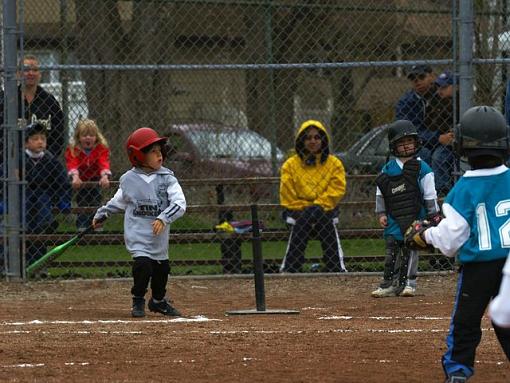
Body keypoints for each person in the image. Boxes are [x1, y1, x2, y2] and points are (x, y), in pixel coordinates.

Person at [405, 106, 510, 382]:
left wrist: (426, 235)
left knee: (465, 322)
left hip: (478, 269)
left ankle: (458, 371)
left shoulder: (461, 190)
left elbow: (451, 241)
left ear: (462, 145)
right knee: (507, 319)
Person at [92, 127, 186, 318]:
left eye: (160, 151)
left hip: (158, 238)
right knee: (143, 266)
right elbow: (118, 201)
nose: (159, 155)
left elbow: (180, 204)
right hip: (138, 236)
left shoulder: (167, 179)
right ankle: (138, 299)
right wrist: (103, 214)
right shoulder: (129, 179)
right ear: (138, 155)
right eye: (153, 152)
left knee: (162, 270)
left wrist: (163, 217)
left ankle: (158, 301)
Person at [371, 120, 440, 298]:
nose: (406, 146)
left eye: (409, 142)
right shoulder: (388, 169)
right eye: (401, 143)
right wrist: (381, 213)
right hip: (393, 217)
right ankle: (389, 284)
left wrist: (434, 216)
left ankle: (409, 283)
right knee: (392, 250)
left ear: (416, 143)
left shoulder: (422, 168)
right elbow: (381, 192)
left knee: (411, 248)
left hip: (415, 216)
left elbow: (430, 195)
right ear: (393, 146)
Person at [279, 120, 347, 273]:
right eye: (308, 138)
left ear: (323, 140)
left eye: (317, 137)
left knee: (322, 219)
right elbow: (287, 194)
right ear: (301, 141)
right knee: (304, 220)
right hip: (297, 210)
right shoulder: (290, 165)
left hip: (325, 209)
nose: (313, 141)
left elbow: (336, 190)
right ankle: (334, 267)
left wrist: (317, 206)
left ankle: (291, 268)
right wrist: (308, 208)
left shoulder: (334, 163)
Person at [24, 121, 71, 266]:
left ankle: (39, 265)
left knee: (40, 233)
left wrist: (63, 200)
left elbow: (63, 182)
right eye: (35, 139)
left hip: (44, 198)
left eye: (43, 139)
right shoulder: (20, 159)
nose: (40, 142)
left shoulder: (50, 160)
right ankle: (23, 265)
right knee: (27, 231)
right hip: (24, 198)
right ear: (26, 143)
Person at [0, 55, 66, 158]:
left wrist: (48, 158)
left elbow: (59, 134)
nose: (31, 73)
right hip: (12, 160)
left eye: (35, 70)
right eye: (26, 69)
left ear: (39, 74)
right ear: (18, 73)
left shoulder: (49, 101)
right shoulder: (7, 99)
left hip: (43, 162)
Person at [65, 119, 112, 231]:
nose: (88, 138)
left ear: (96, 136)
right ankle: (82, 225)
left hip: (96, 178)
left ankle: (97, 223)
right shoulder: (74, 149)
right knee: (82, 201)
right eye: (84, 135)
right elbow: (73, 163)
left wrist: (104, 176)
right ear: (78, 137)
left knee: (96, 200)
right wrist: (75, 176)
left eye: (91, 135)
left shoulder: (101, 148)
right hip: (80, 179)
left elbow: (103, 162)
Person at [395, 64, 440, 165]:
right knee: (424, 155)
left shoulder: (441, 95)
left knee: (440, 156)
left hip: (441, 142)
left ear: (432, 76)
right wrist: (437, 137)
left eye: (421, 77)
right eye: (413, 79)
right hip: (418, 144)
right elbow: (407, 132)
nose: (417, 82)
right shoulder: (405, 102)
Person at [430, 70, 458, 196]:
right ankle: (443, 191)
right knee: (438, 156)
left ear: (455, 87)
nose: (440, 91)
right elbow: (432, 125)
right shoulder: (436, 103)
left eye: (444, 87)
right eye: (438, 87)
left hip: (459, 140)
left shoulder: (461, 101)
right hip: (443, 142)